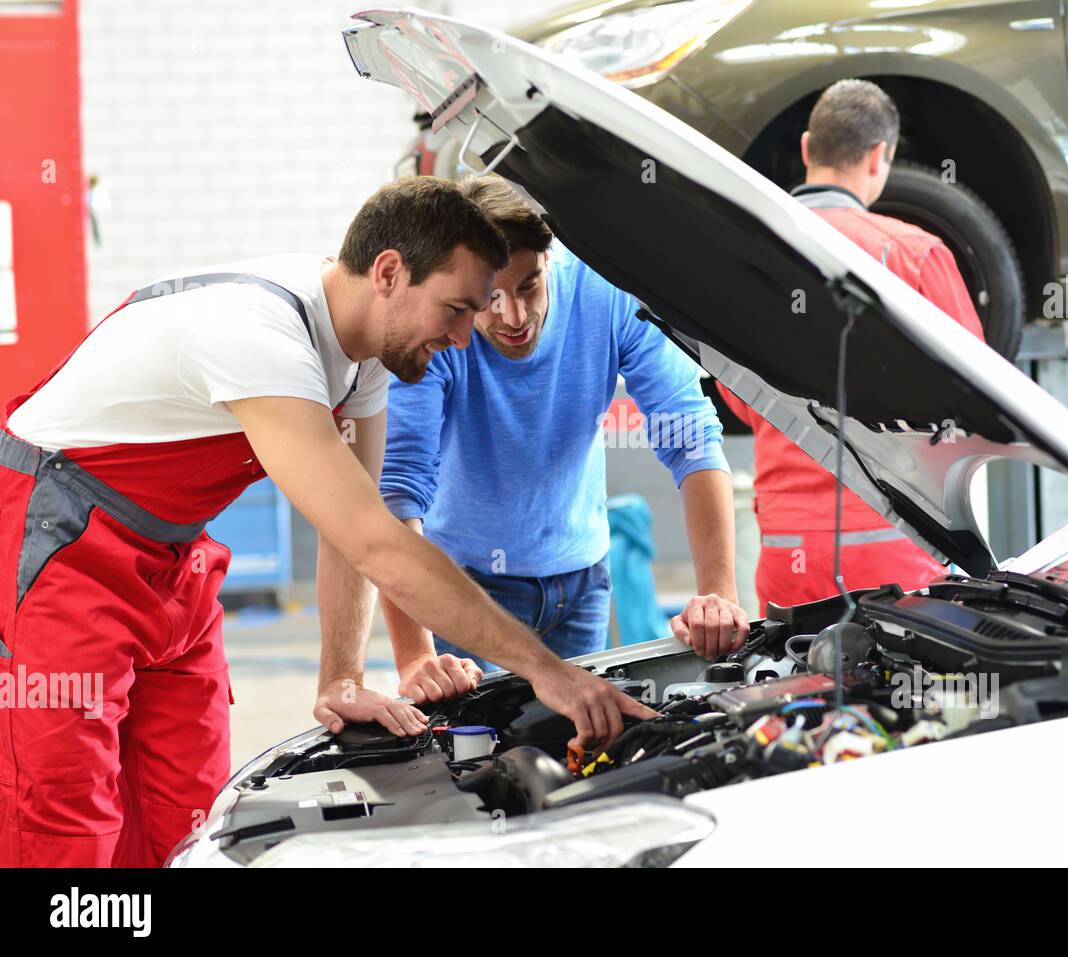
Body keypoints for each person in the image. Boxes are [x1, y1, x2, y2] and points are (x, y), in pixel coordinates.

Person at [0, 176, 653, 868]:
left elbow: (354, 526)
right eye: (458, 308)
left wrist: (340, 678)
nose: (466, 338)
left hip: (172, 556)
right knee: (65, 820)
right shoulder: (259, 337)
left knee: (190, 813)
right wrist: (548, 671)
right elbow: (380, 544)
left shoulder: (359, 355)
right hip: (59, 539)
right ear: (390, 272)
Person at [378, 176, 750, 694]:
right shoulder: (438, 325)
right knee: (478, 762)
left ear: (550, 257)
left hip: (581, 584)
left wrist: (718, 594)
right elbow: (397, 492)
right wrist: (416, 655)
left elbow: (690, 435)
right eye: (489, 296)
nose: (514, 317)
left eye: (528, 285)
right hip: (462, 590)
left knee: (585, 754)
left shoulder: (608, 292)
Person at [718, 79, 985, 613]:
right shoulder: (915, 254)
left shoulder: (745, 259)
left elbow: (742, 404)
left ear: (805, 148)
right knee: (905, 693)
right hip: (901, 554)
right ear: (880, 155)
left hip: (789, 559)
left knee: (799, 690)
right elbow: (976, 401)